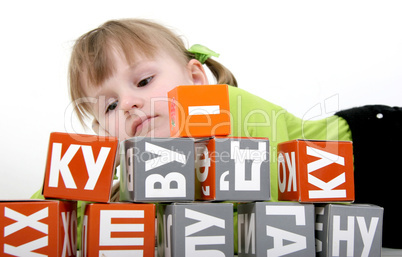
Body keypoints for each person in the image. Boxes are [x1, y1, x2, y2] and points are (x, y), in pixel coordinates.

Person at [33, 18, 401, 250]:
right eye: (109, 107)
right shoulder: (128, 177)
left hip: (372, 149)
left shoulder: (226, 104)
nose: (129, 103)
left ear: (195, 78)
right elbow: (54, 216)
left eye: (144, 81)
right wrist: (95, 169)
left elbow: (271, 186)